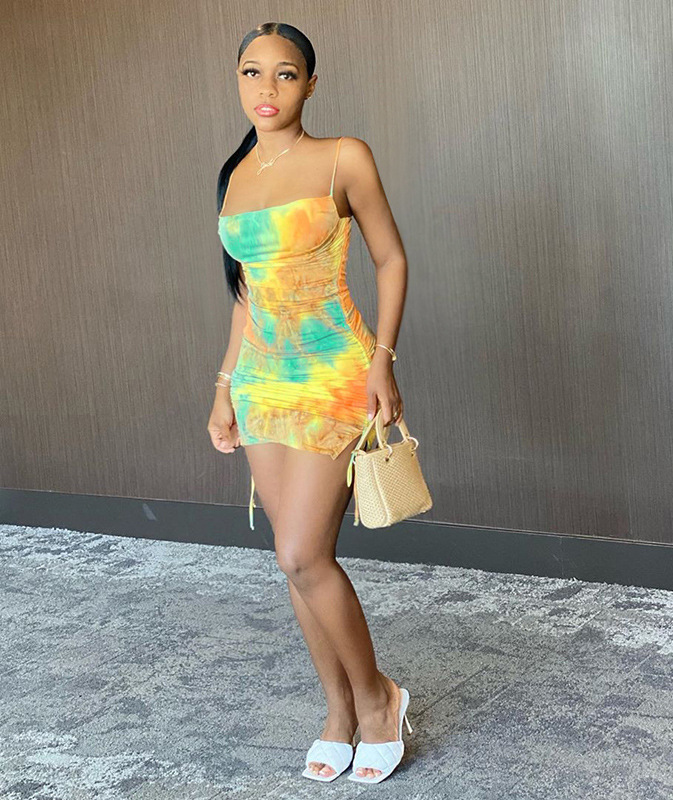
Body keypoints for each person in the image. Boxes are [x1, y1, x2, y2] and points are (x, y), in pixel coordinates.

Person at [207, 22, 412, 784]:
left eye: (285, 74)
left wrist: (383, 361)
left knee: (303, 552)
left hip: (333, 375)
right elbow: (247, 298)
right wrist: (224, 388)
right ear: (237, 80)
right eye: (252, 72)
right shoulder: (234, 175)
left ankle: (379, 700)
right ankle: (337, 710)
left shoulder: (343, 157)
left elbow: (391, 258)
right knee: (293, 562)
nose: (267, 88)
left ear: (311, 84)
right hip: (261, 383)